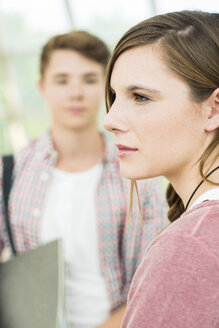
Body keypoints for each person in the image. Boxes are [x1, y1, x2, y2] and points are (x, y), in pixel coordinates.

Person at [0, 30, 168, 327]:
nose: (75, 92)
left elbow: (152, 285)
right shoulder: (10, 173)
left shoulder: (138, 177)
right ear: (42, 87)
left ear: (107, 88)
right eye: (62, 80)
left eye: (89, 80)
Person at [104, 10, 219, 328]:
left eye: (140, 97)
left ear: (214, 108)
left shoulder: (189, 248)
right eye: (114, 97)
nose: (110, 119)